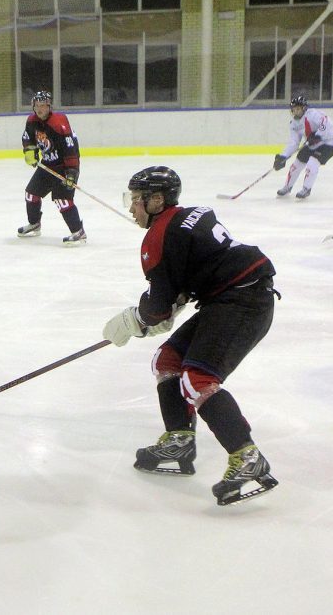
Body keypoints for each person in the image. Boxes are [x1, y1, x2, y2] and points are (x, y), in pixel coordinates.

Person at [102, 166, 279, 506]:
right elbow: (186, 280)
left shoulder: (158, 239)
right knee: (167, 360)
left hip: (243, 300)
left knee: (197, 378)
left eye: (136, 200)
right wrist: (165, 307)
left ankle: (247, 456)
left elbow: (158, 311)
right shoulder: (186, 216)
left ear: (157, 201)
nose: (130, 208)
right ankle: (180, 439)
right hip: (234, 295)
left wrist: (132, 321)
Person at [18, 91, 86, 245]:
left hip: (65, 167)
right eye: (37, 106)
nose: (41, 109)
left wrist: (72, 173)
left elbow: (71, 149)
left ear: (49, 106)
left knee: (62, 200)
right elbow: (27, 137)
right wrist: (29, 151)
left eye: (44, 105)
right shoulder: (32, 121)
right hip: (47, 165)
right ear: (33, 107)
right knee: (31, 194)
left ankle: (78, 232)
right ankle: (35, 224)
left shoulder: (58, 122)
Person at [274, 95, 333, 199]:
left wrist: (318, 135)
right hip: (312, 144)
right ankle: (287, 186)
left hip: (328, 144)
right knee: (296, 165)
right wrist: (283, 156)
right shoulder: (294, 124)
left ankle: (306, 188)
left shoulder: (313, 114)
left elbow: (326, 122)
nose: (295, 111)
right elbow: (294, 142)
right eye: (293, 109)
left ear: (304, 108)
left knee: (312, 163)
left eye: (298, 109)